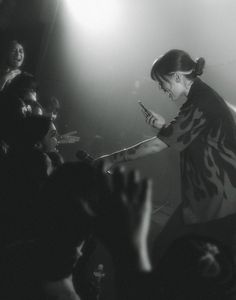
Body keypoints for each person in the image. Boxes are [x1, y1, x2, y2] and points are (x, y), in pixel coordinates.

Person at [95, 49, 236, 261]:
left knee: (170, 254)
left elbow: (158, 145)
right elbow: (189, 136)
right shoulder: (200, 97)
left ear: (177, 76)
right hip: (210, 199)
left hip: (219, 201)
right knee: (176, 256)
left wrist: (111, 159)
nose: (162, 88)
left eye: (163, 82)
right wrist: (163, 127)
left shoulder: (201, 102)